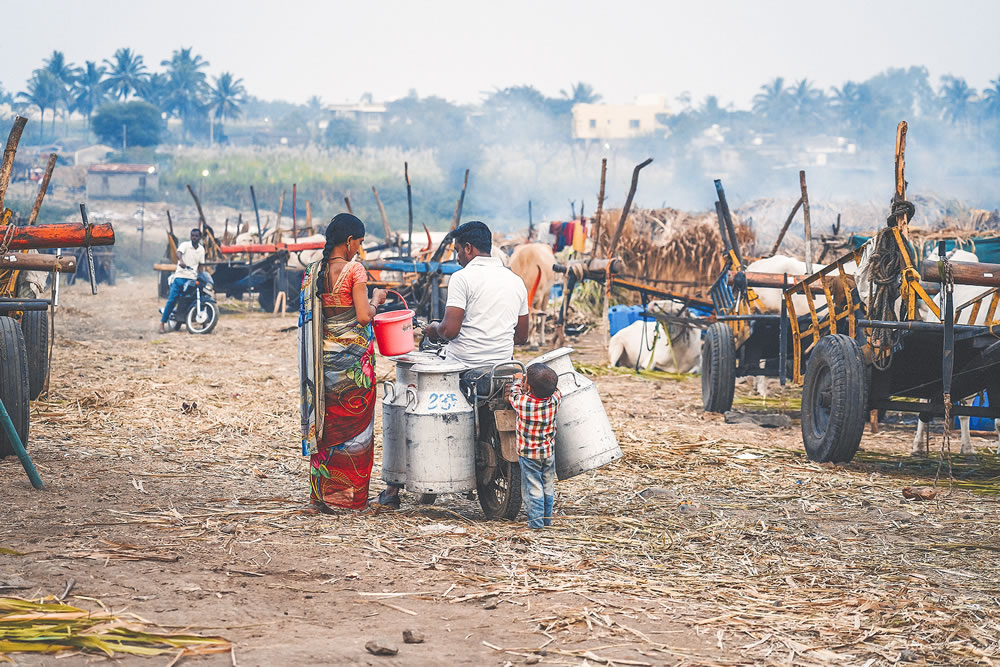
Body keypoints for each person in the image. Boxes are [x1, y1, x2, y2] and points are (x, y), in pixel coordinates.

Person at [373, 220, 530, 508]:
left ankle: (394, 490)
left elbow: (450, 331)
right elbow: (522, 335)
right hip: (504, 370)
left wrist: (433, 328)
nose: (457, 256)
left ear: (468, 248)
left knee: (408, 394)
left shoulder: (462, 278)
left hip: (466, 369)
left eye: (458, 250)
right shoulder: (515, 280)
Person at [298, 213, 387, 511]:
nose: (359, 250)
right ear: (349, 241)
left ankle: (317, 498)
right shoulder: (355, 271)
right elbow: (363, 316)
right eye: (359, 243)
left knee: (323, 426)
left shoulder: (313, 271)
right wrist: (377, 300)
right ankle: (352, 498)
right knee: (357, 430)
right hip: (352, 368)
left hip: (321, 365)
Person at [507, 363, 562, 529]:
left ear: (528, 386)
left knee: (533, 488)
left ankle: (536, 525)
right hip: (548, 452)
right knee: (547, 486)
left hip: (529, 454)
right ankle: (547, 521)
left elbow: (513, 395)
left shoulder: (523, 402)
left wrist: (517, 380)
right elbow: (556, 390)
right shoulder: (555, 400)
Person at [160, 228, 206, 332]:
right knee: (172, 300)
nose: (194, 238)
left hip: (192, 279)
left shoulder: (201, 250)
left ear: (200, 238)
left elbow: (201, 265)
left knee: (199, 297)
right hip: (180, 277)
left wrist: (202, 275)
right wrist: (181, 260)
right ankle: (162, 323)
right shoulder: (185, 245)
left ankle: (203, 321)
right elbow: (179, 253)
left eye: (196, 236)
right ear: (190, 236)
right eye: (192, 235)